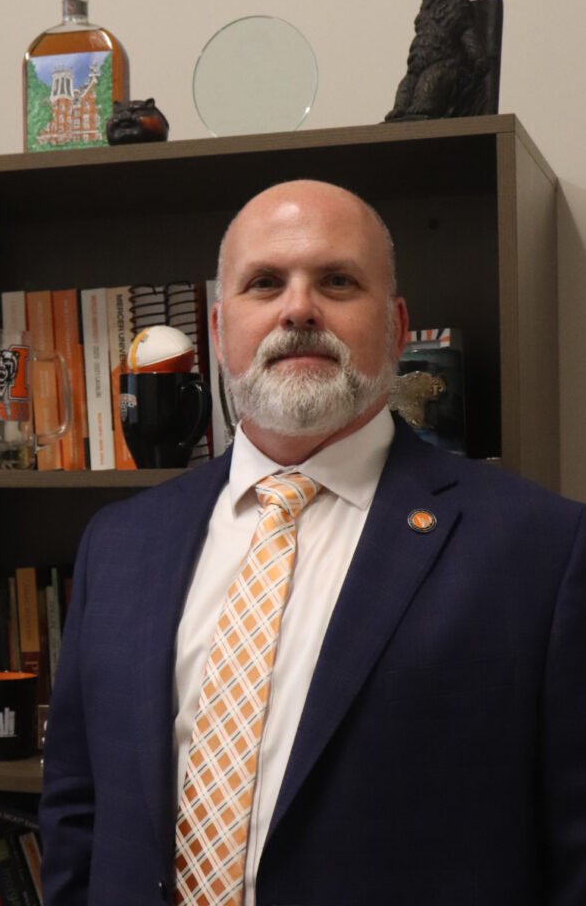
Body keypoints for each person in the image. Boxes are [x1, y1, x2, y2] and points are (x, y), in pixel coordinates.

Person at [39, 179, 586, 905]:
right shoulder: (119, 543)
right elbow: (77, 810)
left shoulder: (542, 551)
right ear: (218, 328)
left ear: (394, 326)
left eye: (335, 281)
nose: (298, 308)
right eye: (264, 284)